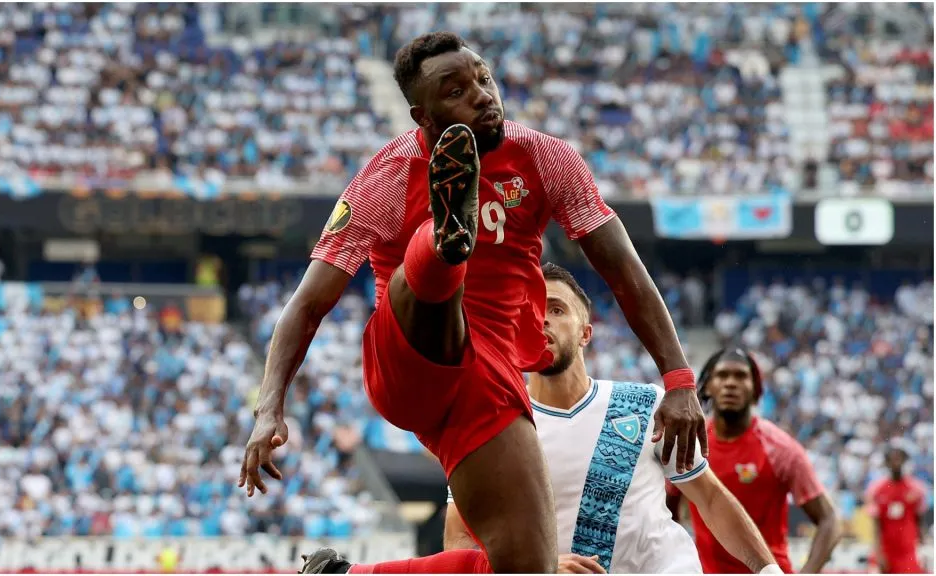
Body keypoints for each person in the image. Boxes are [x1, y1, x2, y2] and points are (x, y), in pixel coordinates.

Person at [240, 31, 706, 574]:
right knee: (433, 274)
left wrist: (679, 379)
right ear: (423, 116)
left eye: (482, 78)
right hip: (408, 356)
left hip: (488, 381)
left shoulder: (545, 157)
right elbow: (306, 304)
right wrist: (268, 407)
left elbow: (624, 271)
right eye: (455, 90)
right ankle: (444, 237)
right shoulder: (385, 177)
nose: (482, 94)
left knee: (527, 567)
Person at [443, 263, 781, 574]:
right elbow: (460, 537)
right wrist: (539, 567)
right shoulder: (493, 427)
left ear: (586, 334)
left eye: (556, 309)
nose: (541, 319)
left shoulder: (647, 405)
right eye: (529, 310)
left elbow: (709, 497)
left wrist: (769, 570)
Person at [666, 348, 841, 574]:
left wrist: (807, 572)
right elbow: (667, 514)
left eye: (741, 376)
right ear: (708, 386)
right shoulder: (691, 443)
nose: (730, 383)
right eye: (722, 375)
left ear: (755, 390)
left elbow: (829, 519)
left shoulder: (780, 448)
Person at [865, 441, 929, 574]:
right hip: (886, 549)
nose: (896, 462)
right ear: (887, 462)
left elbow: (920, 521)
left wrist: (923, 548)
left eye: (899, 458)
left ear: (905, 460)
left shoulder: (916, 489)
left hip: (908, 550)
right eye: (892, 459)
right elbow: (876, 525)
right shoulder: (876, 490)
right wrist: (878, 552)